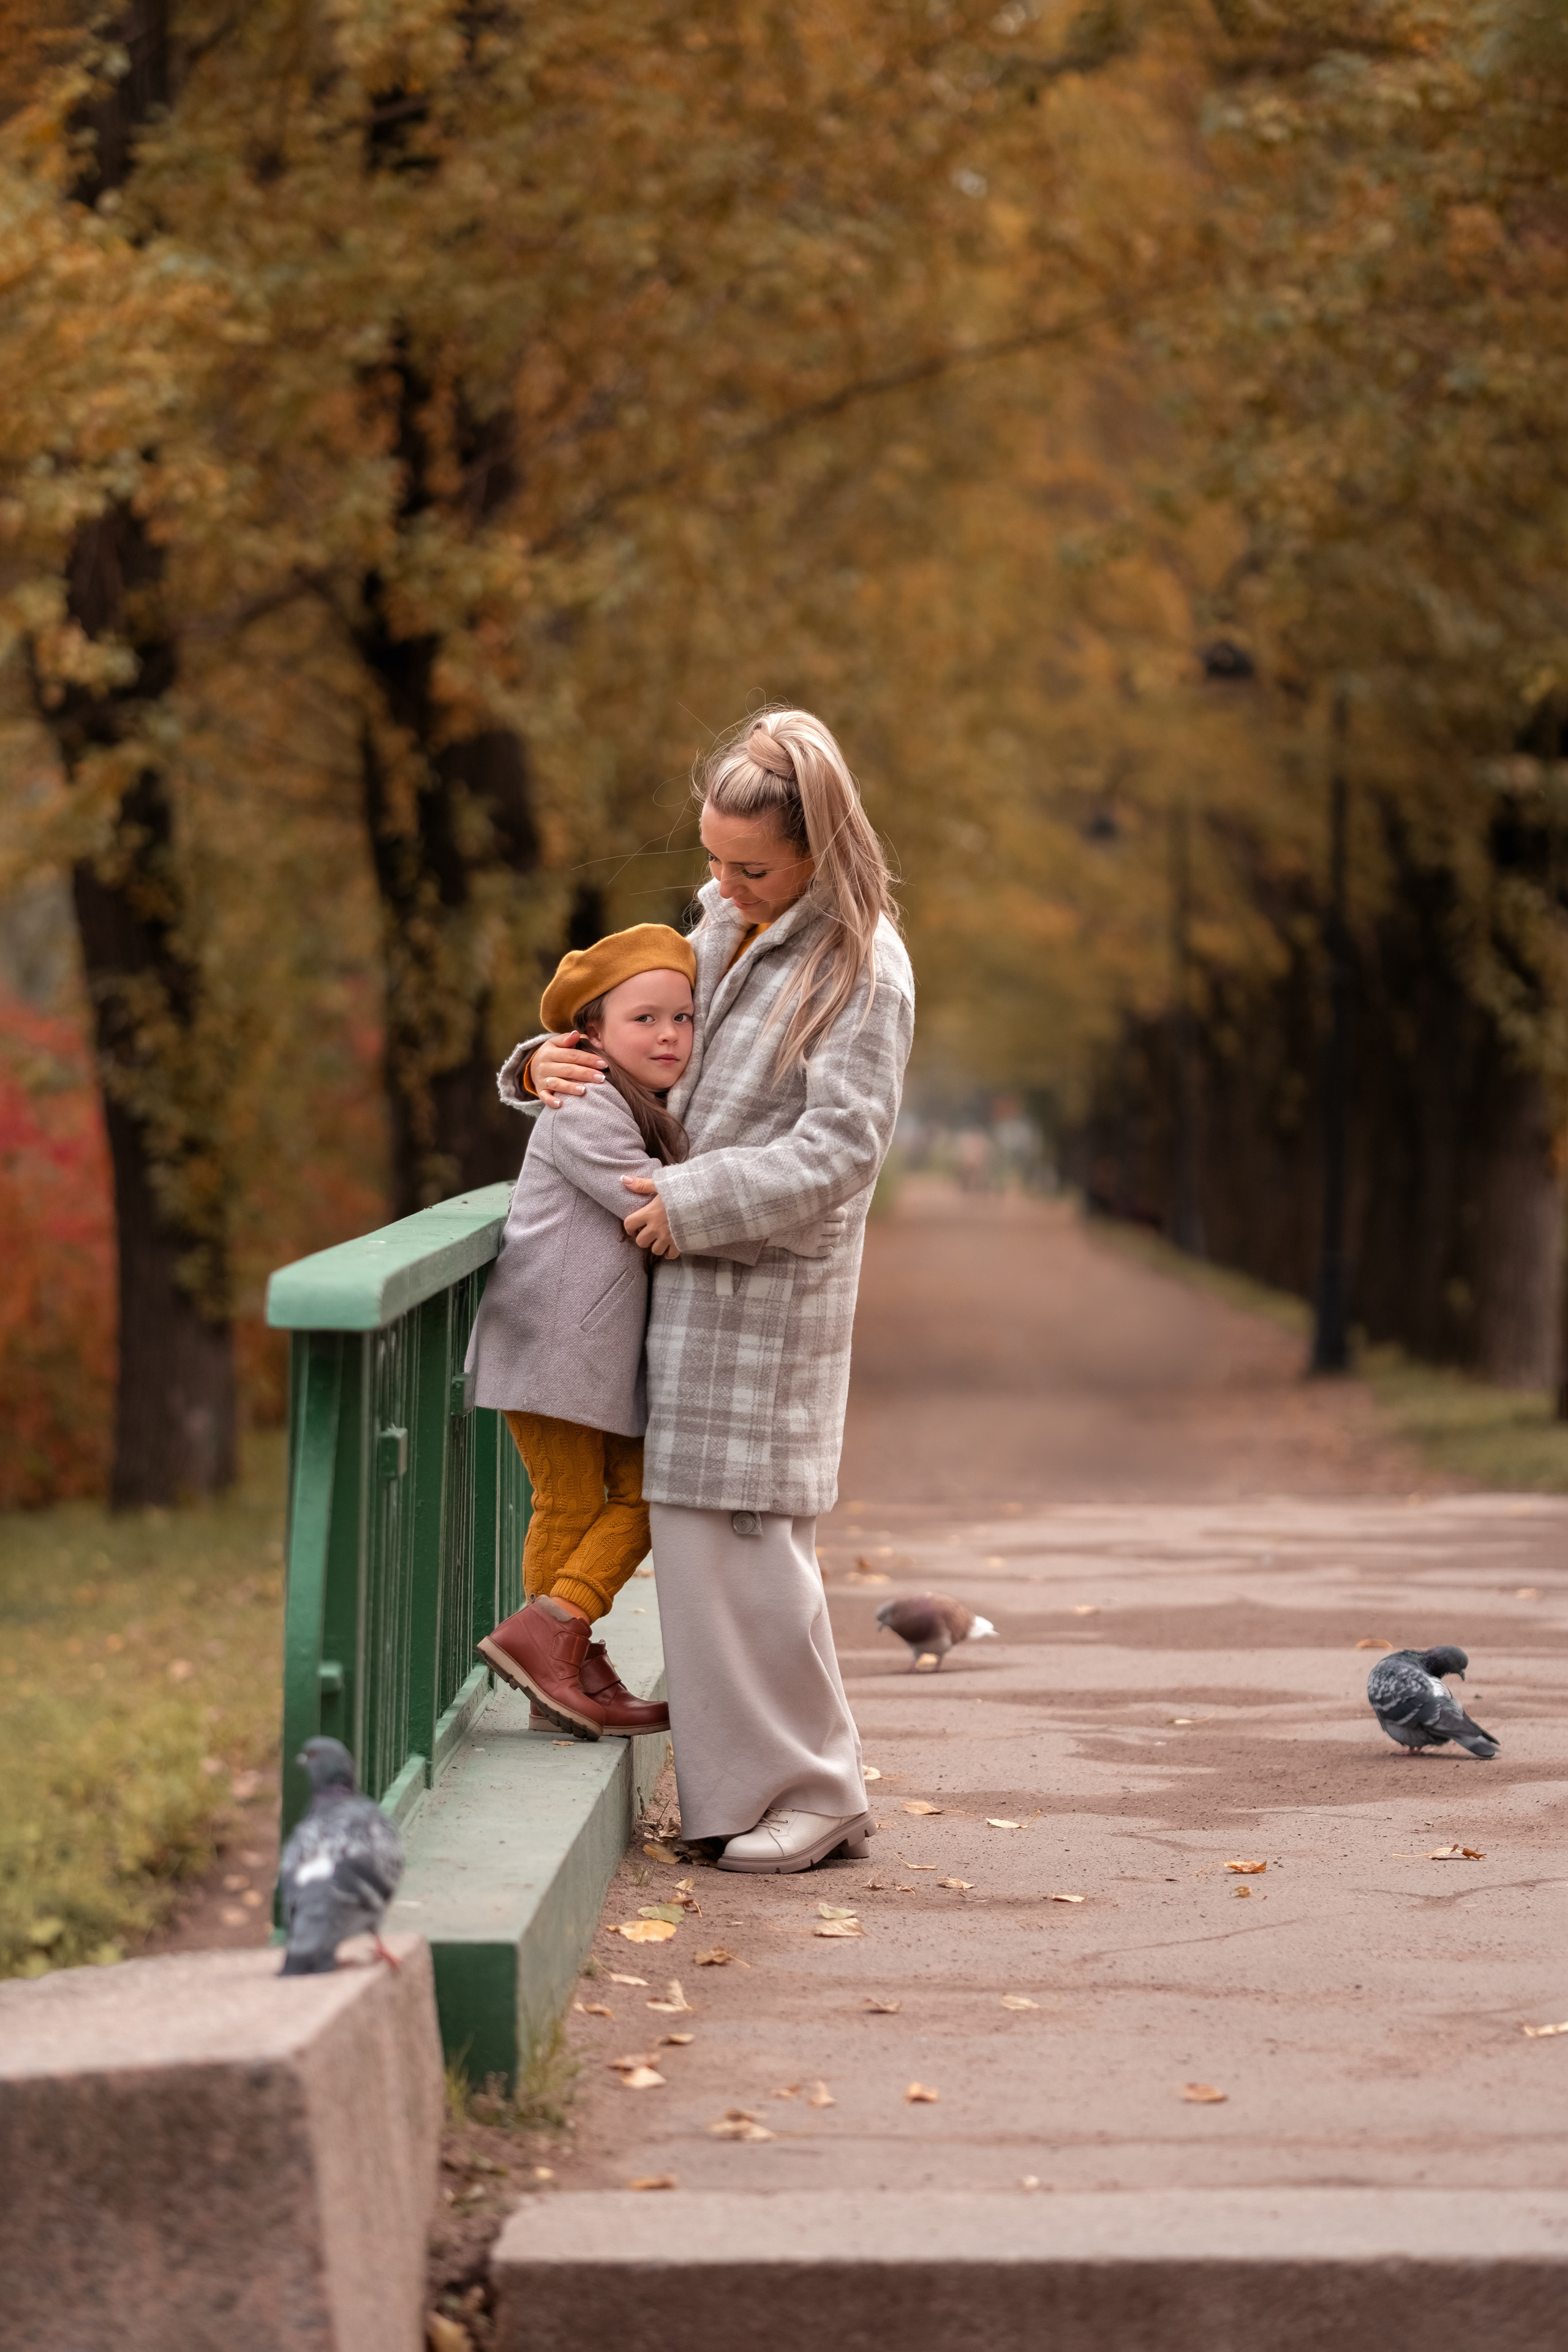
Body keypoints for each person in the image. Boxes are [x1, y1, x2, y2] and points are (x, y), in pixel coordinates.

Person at [526, 707, 914, 1872]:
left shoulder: (862, 969)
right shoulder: (721, 921)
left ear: (819, 850)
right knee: (703, 1559)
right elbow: (632, 1029)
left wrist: (694, 1207)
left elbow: (845, 1152)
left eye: (751, 866)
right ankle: (745, 1798)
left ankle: (816, 1790)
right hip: (684, 1300)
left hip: (759, 1303)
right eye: (713, 858)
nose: (723, 884)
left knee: (754, 1557)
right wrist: (542, 1061)